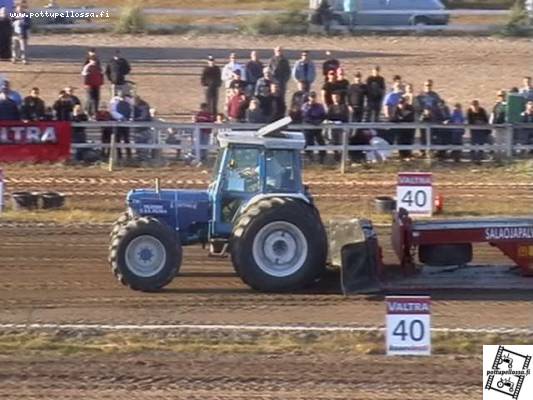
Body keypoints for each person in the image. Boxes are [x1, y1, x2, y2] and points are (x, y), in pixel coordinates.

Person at [302, 91, 326, 164]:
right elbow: (304, 116)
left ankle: (321, 158)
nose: (313, 98)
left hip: (317, 127)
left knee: (321, 142)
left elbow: (323, 116)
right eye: (311, 97)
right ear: (309, 98)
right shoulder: (305, 106)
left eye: (314, 97)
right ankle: (310, 158)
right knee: (308, 142)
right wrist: (313, 122)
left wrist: (319, 121)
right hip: (308, 128)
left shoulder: (319, 106)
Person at [109, 91, 133, 160]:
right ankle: (119, 156)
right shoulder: (115, 102)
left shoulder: (128, 102)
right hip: (117, 123)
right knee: (117, 140)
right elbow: (113, 112)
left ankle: (129, 156)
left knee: (126, 140)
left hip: (125, 123)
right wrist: (121, 117)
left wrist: (127, 118)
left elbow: (130, 111)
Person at [326, 92, 350, 162]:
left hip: (342, 127)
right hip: (333, 127)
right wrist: (333, 120)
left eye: (336, 97)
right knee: (334, 142)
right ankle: (336, 158)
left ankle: (342, 159)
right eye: (334, 97)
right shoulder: (331, 107)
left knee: (342, 142)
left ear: (339, 97)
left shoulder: (344, 106)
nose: (335, 99)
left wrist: (339, 119)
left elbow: (345, 117)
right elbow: (328, 116)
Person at [467, 100, 490, 164]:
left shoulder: (482, 110)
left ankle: (479, 158)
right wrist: (476, 122)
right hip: (474, 131)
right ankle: (473, 158)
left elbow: (485, 120)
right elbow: (469, 121)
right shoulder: (469, 111)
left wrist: (482, 123)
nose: (475, 107)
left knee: (481, 143)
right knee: (473, 143)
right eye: (474, 106)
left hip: (481, 130)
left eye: (476, 105)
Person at [133, 95, 153, 161]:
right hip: (138, 128)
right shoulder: (135, 106)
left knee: (144, 143)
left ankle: (144, 158)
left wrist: (134, 120)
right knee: (138, 143)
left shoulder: (144, 106)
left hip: (144, 128)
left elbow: (144, 117)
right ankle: (140, 158)